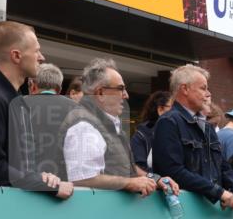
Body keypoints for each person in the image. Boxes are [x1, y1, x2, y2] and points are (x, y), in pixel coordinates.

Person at [0, 21, 72, 197]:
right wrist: (44, 185)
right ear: (16, 56)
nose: (42, 57)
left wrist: (41, 177)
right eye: (36, 51)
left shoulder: (14, 99)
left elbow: (19, 163)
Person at [61, 59, 178, 198]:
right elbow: (82, 178)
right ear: (100, 93)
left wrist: (154, 178)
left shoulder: (106, 123)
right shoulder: (83, 126)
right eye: (121, 89)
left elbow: (127, 168)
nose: (126, 95)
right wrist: (129, 183)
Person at [152, 64, 233, 210]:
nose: (208, 94)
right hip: (182, 211)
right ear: (184, 89)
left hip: (206, 212)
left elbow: (222, 165)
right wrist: (219, 192)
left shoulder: (207, 127)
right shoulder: (169, 122)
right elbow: (173, 171)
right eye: (203, 88)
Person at [25, 63, 77, 177]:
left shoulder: (19, 106)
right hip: (66, 185)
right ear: (59, 89)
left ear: (33, 86)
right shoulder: (77, 110)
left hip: (26, 183)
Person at [131, 90, 172, 172]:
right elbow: (139, 168)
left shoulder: (179, 133)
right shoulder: (141, 136)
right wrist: (160, 179)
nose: (178, 113)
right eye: (173, 108)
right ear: (160, 109)